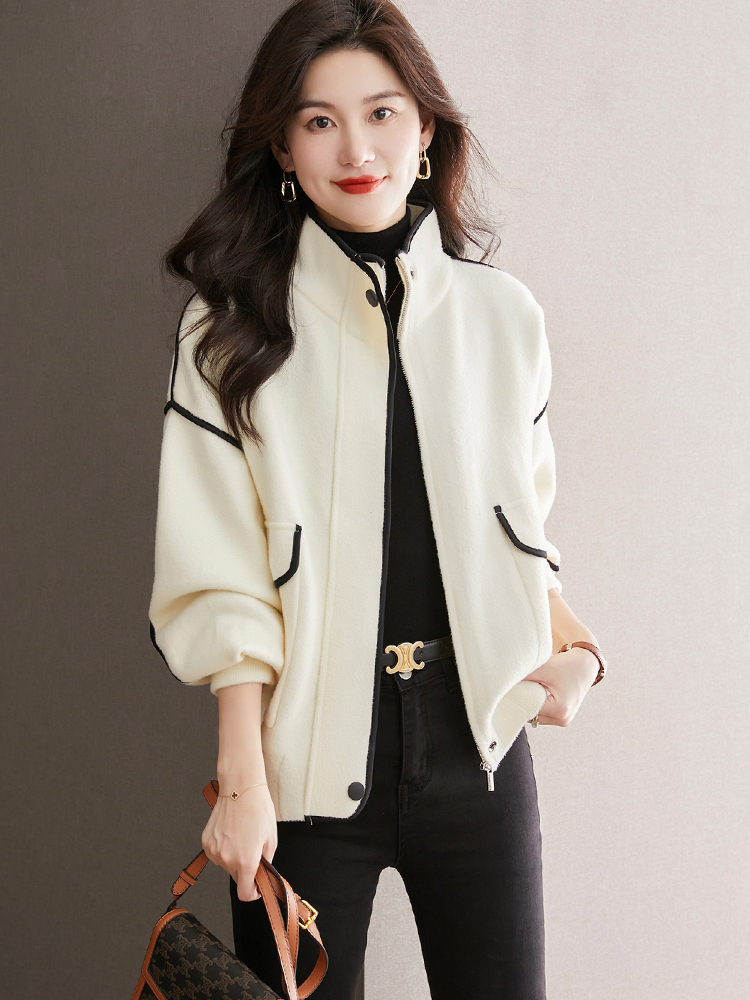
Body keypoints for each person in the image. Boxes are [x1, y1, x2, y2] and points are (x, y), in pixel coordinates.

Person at [150, 1, 606, 997]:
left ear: (426, 128)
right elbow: (219, 574)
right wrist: (242, 781)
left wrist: (576, 654)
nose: (356, 149)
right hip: (303, 772)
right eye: (319, 121)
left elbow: (520, 534)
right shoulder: (227, 330)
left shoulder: (503, 318)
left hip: (479, 751)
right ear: (283, 147)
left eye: (382, 113)